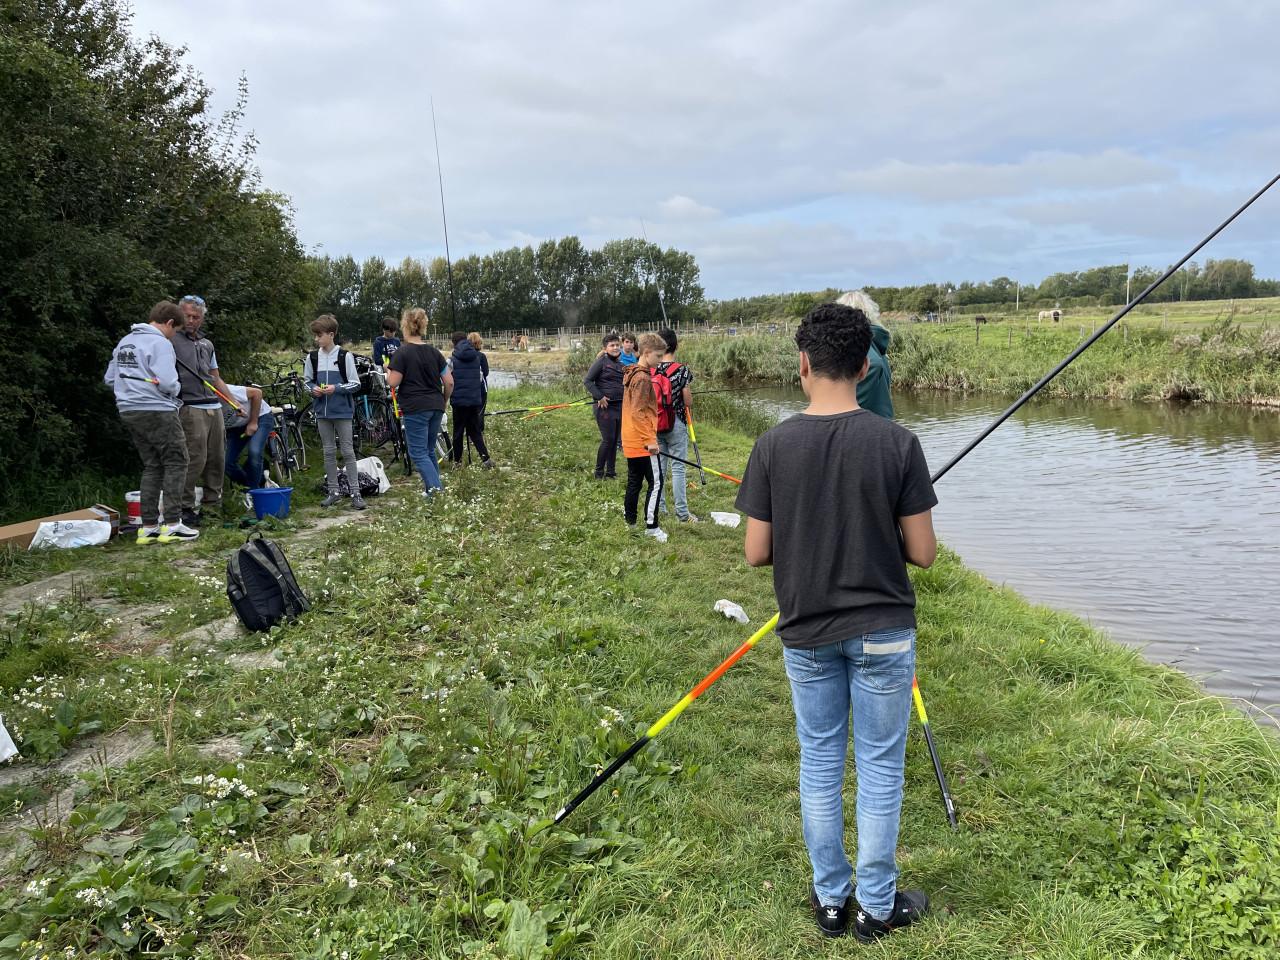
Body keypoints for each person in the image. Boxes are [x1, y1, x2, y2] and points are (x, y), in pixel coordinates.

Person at [734, 302, 938, 942]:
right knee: (880, 768)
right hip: (883, 630)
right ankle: (876, 908)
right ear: (863, 364)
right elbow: (924, 553)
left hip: (808, 632)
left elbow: (755, 551)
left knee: (820, 762)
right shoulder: (898, 443)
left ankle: (831, 901)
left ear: (803, 364)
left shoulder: (772, 444)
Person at [104, 301, 199, 543]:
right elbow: (168, 383)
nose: (174, 334)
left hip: (129, 410)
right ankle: (173, 523)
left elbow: (109, 379)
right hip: (157, 409)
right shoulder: (160, 343)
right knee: (177, 460)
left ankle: (148, 527)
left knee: (153, 465)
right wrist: (176, 387)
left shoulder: (125, 342)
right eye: (175, 330)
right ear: (169, 323)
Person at [172, 294, 232, 527]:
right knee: (195, 459)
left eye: (196, 317)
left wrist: (233, 402)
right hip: (189, 407)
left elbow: (215, 377)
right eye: (186, 315)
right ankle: (184, 507)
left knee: (217, 458)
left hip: (213, 407)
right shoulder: (171, 341)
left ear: (202, 319)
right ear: (178, 315)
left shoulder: (207, 344)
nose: (191, 320)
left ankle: (212, 505)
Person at [388, 307, 454, 496]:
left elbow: (393, 382)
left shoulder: (402, 353)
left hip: (415, 407)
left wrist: (387, 371)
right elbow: (449, 382)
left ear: (405, 327)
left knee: (417, 452)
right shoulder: (434, 352)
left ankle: (437, 492)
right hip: (435, 405)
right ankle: (430, 491)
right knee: (428, 449)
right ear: (423, 326)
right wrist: (443, 400)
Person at [303, 314, 366, 510]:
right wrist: (313, 390)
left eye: (319, 335)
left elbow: (356, 384)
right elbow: (306, 383)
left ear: (331, 335)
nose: (316, 339)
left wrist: (336, 389)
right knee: (328, 452)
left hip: (343, 411)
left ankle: (356, 493)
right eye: (315, 336)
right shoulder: (312, 357)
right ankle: (333, 491)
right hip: (322, 412)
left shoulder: (344, 356)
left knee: (348, 451)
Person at [621, 333, 668, 542]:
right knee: (656, 483)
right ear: (647, 353)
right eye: (658, 356)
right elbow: (638, 413)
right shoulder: (642, 378)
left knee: (634, 482)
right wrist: (650, 441)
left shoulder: (632, 373)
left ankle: (629, 521)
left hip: (631, 440)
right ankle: (652, 526)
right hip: (642, 442)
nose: (660, 361)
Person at [655, 328, 699, 522]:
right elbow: (687, 401)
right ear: (675, 345)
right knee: (678, 468)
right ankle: (682, 513)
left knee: (660, 468)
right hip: (677, 423)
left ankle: (661, 508)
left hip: (655, 424)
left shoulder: (651, 368)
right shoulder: (681, 370)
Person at [836, 290, 893, 419]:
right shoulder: (877, 345)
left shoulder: (862, 345)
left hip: (869, 430)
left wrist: (838, 413)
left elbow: (873, 364)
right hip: (881, 426)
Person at [447, 331, 493, 468]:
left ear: (454, 343)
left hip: (459, 402)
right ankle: (486, 460)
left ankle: (458, 462)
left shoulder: (451, 359)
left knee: (458, 432)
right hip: (474, 400)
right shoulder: (476, 357)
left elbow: (447, 380)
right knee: (475, 431)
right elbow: (480, 378)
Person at [583, 331, 624, 479]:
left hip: (619, 407)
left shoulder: (620, 364)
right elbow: (587, 381)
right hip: (604, 408)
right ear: (605, 348)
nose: (615, 348)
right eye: (612, 345)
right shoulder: (601, 361)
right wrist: (599, 396)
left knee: (614, 441)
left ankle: (611, 472)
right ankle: (599, 473)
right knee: (607, 440)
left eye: (617, 345)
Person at [223, 384, 269, 490]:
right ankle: (250, 488)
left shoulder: (228, 390)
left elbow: (257, 393)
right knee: (226, 463)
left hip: (260, 416)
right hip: (236, 427)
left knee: (254, 452)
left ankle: (255, 493)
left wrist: (253, 422)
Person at [467, 332, 489, 414]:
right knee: (479, 414)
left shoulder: (462, 355)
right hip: (480, 389)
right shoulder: (481, 356)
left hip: (467, 389)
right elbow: (486, 373)